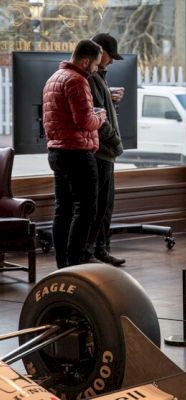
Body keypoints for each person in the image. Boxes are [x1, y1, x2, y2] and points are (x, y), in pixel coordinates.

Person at [43, 39, 106, 268]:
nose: (97, 69)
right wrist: (100, 115)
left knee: (63, 209)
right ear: (85, 61)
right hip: (77, 153)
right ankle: (75, 264)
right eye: (96, 65)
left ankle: (63, 266)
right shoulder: (77, 80)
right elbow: (85, 121)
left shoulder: (53, 78)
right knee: (86, 209)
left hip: (57, 152)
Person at [85, 33, 126, 266]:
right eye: (110, 56)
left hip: (104, 150)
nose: (111, 61)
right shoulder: (90, 78)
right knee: (99, 206)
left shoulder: (99, 76)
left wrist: (111, 100)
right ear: (99, 51)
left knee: (105, 205)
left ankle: (99, 249)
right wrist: (117, 143)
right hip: (100, 151)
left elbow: (100, 109)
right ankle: (93, 250)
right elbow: (98, 119)